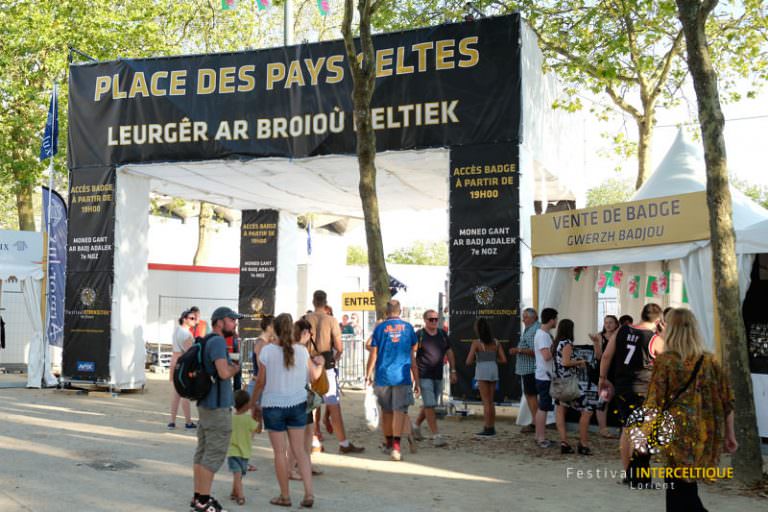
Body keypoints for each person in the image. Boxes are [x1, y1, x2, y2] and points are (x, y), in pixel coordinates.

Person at [643, 308, 737, 509]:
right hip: (703, 431)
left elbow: (654, 401)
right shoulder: (709, 360)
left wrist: (644, 434)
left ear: (670, 329)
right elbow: (727, 400)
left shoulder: (665, 361)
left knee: (679, 488)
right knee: (682, 486)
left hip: (674, 431)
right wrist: (730, 435)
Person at [250, 313, 324, 508]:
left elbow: (260, 382)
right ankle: (309, 493)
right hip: (298, 404)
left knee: (279, 453)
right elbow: (315, 375)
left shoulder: (267, 352)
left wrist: (252, 403)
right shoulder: (302, 351)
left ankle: (285, 495)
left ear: (274, 329)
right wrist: (322, 363)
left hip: (273, 404)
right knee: (300, 451)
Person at [599, 303, 664, 487]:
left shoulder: (622, 331)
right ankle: (640, 475)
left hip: (622, 387)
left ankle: (628, 472)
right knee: (643, 431)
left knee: (627, 429)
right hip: (643, 389)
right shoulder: (654, 338)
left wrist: (602, 378)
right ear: (658, 320)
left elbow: (606, 356)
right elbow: (666, 364)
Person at [191, 306, 242, 512]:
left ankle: (198, 498)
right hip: (217, 408)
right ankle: (204, 501)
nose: (234, 323)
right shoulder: (219, 341)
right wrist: (234, 369)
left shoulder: (206, 340)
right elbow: (222, 372)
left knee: (202, 453)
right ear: (220, 321)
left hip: (205, 405)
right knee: (213, 454)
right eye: (231, 320)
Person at [305, 290, 364, 454]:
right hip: (327, 365)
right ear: (325, 302)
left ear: (313, 301)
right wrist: (334, 358)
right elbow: (339, 347)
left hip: (309, 364)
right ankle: (343, 443)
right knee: (333, 405)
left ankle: (314, 441)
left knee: (311, 406)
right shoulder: (331, 320)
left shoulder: (305, 319)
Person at [365, 299, 420, 461]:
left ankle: (389, 443)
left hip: (383, 375)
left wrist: (368, 373)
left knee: (387, 412)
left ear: (386, 312)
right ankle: (396, 447)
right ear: (400, 311)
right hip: (402, 376)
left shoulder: (380, 328)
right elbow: (413, 354)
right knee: (399, 412)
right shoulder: (409, 328)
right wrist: (416, 378)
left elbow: (373, 353)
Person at [413, 309, 457, 447]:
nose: (434, 322)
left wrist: (453, 370)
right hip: (424, 374)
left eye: (436, 319)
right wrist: (414, 376)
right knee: (430, 405)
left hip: (438, 375)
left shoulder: (443, 334)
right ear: (425, 320)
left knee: (429, 405)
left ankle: (415, 426)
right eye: (431, 319)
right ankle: (436, 435)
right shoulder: (419, 335)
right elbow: (411, 354)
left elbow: (449, 352)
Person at [552, 319, 594, 455]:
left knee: (560, 411)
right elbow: (566, 362)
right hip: (569, 383)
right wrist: (580, 361)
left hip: (558, 383)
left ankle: (564, 443)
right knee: (587, 410)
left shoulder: (556, 343)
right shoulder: (567, 344)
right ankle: (583, 443)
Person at [466, 318, 507, 437]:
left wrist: (480, 359)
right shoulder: (496, 342)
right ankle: (491, 427)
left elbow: (468, 361)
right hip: (493, 370)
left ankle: (487, 428)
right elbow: (504, 360)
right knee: (491, 401)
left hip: (482, 371)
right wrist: (492, 359)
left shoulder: (476, 343)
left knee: (486, 402)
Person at [588, 315, 620, 439]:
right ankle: (603, 428)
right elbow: (599, 357)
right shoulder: (600, 336)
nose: (608, 325)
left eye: (611, 322)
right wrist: (596, 343)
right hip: (604, 372)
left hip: (618, 372)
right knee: (603, 400)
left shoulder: (620, 336)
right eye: (606, 322)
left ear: (616, 324)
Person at [227, 390, 260, 506]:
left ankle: (233, 492)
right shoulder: (247, 420)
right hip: (243, 453)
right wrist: (257, 415)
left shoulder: (230, 418)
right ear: (246, 405)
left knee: (237, 475)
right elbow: (257, 429)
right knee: (238, 474)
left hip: (232, 451)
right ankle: (240, 496)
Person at [509, 307, 540, 434]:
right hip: (528, 369)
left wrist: (518, 350)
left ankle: (537, 424)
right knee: (530, 396)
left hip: (531, 369)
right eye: (523, 317)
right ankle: (536, 422)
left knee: (531, 396)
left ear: (534, 318)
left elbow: (535, 352)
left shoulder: (534, 330)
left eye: (526, 317)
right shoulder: (531, 329)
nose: (523, 320)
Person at [534, 308, 558, 448]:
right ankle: (541, 438)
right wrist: (557, 348)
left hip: (544, 375)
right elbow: (547, 356)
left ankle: (539, 436)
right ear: (551, 320)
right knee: (543, 407)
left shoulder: (544, 334)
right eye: (555, 319)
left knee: (542, 407)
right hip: (545, 376)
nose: (556, 322)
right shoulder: (543, 335)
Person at [169, 309, 197, 430]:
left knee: (176, 393)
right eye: (191, 318)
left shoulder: (177, 330)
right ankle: (188, 422)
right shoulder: (186, 334)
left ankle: (172, 421)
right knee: (184, 392)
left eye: (195, 318)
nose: (194, 321)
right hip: (182, 362)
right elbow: (190, 352)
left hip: (174, 361)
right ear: (184, 319)